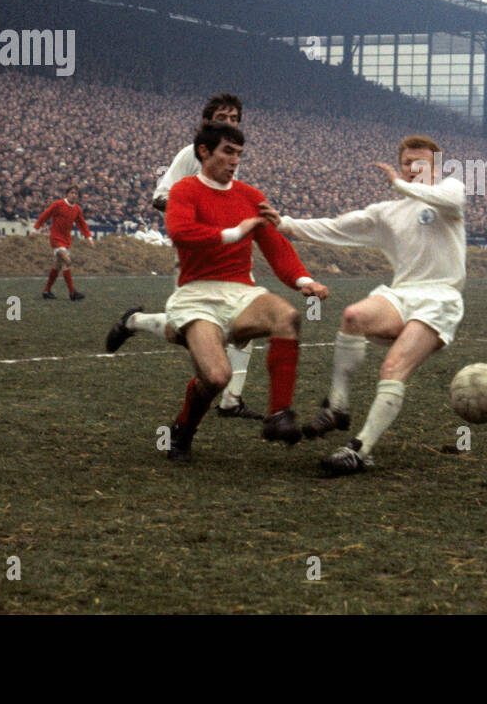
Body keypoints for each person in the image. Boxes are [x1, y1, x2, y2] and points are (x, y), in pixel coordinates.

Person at [118, 122, 328, 461]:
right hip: (197, 294)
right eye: (227, 152)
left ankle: (278, 415)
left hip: (240, 291)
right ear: (204, 152)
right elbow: (181, 232)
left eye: (239, 154)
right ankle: (182, 430)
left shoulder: (250, 195)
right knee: (216, 376)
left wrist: (305, 281)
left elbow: (276, 246)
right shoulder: (185, 190)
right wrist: (234, 233)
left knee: (286, 316)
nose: (234, 160)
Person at [273, 135, 467, 476]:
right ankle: (338, 407)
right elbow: (335, 227)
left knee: (392, 369)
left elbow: (446, 198)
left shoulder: (450, 192)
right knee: (353, 316)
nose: (412, 169)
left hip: (440, 299)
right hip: (402, 293)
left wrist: (399, 184)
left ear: (436, 167)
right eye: (407, 163)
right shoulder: (387, 213)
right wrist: (284, 224)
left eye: (420, 163)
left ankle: (361, 450)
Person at [109, 94, 260, 419]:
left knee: (244, 323)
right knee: (189, 329)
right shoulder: (192, 154)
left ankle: (232, 400)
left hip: (227, 253)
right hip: (196, 254)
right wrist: (195, 210)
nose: (229, 122)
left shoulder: (230, 155)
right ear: (207, 121)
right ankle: (134, 322)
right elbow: (159, 196)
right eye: (222, 116)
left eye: (234, 118)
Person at [34, 184, 94, 300]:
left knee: (57, 265)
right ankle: (72, 293)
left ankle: (46, 291)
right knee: (67, 261)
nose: (74, 195)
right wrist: (35, 228)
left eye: (76, 194)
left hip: (66, 240)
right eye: (72, 193)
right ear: (67, 194)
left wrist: (89, 237)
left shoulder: (77, 209)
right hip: (56, 239)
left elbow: (82, 224)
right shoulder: (58, 204)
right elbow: (45, 215)